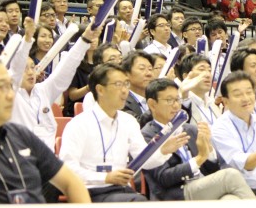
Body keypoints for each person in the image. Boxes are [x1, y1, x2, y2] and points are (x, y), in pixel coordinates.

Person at [59, 64, 189, 202]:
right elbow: (67, 168)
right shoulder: (79, 124)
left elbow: (144, 161)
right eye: (118, 84)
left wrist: (163, 151)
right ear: (100, 89)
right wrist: (105, 177)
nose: (124, 91)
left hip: (122, 190)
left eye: (126, 84)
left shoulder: (128, 121)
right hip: (89, 191)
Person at [0, 55, 91, 204]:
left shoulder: (20, 134)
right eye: (1, 87)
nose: (10, 95)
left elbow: (71, 182)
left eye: (10, 86)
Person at [142, 79, 256, 201]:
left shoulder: (189, 129)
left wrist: (209, 150)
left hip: (202, 186)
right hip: (176, 193)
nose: (176, 105)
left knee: (230, 199)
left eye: (178, 99)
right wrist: (200, 158)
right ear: (152, 104)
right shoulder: (147, 135)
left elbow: (212, 170)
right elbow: (163, 178)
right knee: (230, 175)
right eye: (169, 100)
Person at [9, 17, 100, 150]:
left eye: (33, 67)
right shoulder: (10, 93)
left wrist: (85, 40)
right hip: (19, 159)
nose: (30, 72)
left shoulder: (43, 90)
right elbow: (16, 67)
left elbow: (66, 67)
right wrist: (27, 39)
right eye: (25, 69)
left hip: (47, 161)